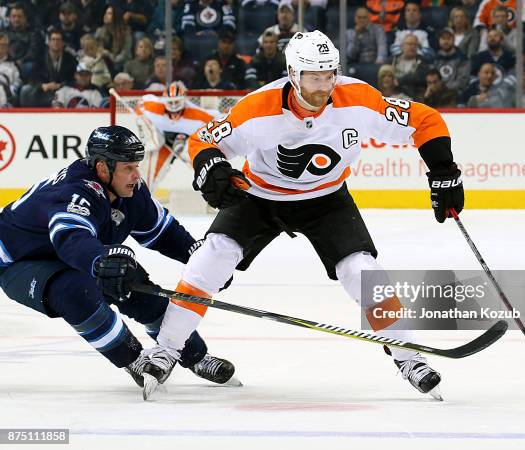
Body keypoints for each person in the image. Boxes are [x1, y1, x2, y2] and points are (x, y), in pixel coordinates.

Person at [140, 31, 464, 400]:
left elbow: (424, 120)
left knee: (364, 271)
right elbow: (204, 139)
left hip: (326, 199)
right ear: (293, 73)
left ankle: (408, 357)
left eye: (330, 74)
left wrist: (443, 171)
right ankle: (165, 350)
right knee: (211, 258)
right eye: (314, 76)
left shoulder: (356, 98)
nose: (324, 85)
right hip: (260, 195)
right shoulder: (257, 107)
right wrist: (212, 166)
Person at [0, 126, 238, 394]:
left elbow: (164, 232)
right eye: (128, 168)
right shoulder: (76, 191)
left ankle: (194, 355)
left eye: (137, 166)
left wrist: (202, 259)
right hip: (18, 261)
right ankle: (134, 361)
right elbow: (71, 238)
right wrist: (99, 260)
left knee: (134, 285)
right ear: (103, 168)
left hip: (75, 252)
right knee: (76, 290)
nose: (136, 175)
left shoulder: (131, 191)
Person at [135, 81, 217, 193]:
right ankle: (141, 198)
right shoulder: (153, 107)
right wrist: (150, 132)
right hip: (162, 144)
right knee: (149, 175)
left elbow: (216, 121)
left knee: (206, 167)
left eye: (177, 101)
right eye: (171, 102)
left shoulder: (198, 115)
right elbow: (141, 103)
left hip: (187, 144)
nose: (173, 106)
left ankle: (216, 193)